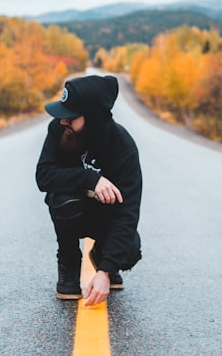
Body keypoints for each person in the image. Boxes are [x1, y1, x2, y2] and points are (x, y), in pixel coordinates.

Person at [35, 74, 142, 305]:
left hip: (106, 217)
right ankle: (69, 264)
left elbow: (128, 213)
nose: (63, 121)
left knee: (130, 250)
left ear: (92, 117)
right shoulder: (59, 130)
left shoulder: (123, 147)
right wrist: (89, 178)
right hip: (71, 211)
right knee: (64, 199)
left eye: (70, 116)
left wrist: (105, 270)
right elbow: (43, 176)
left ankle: (102, 255)